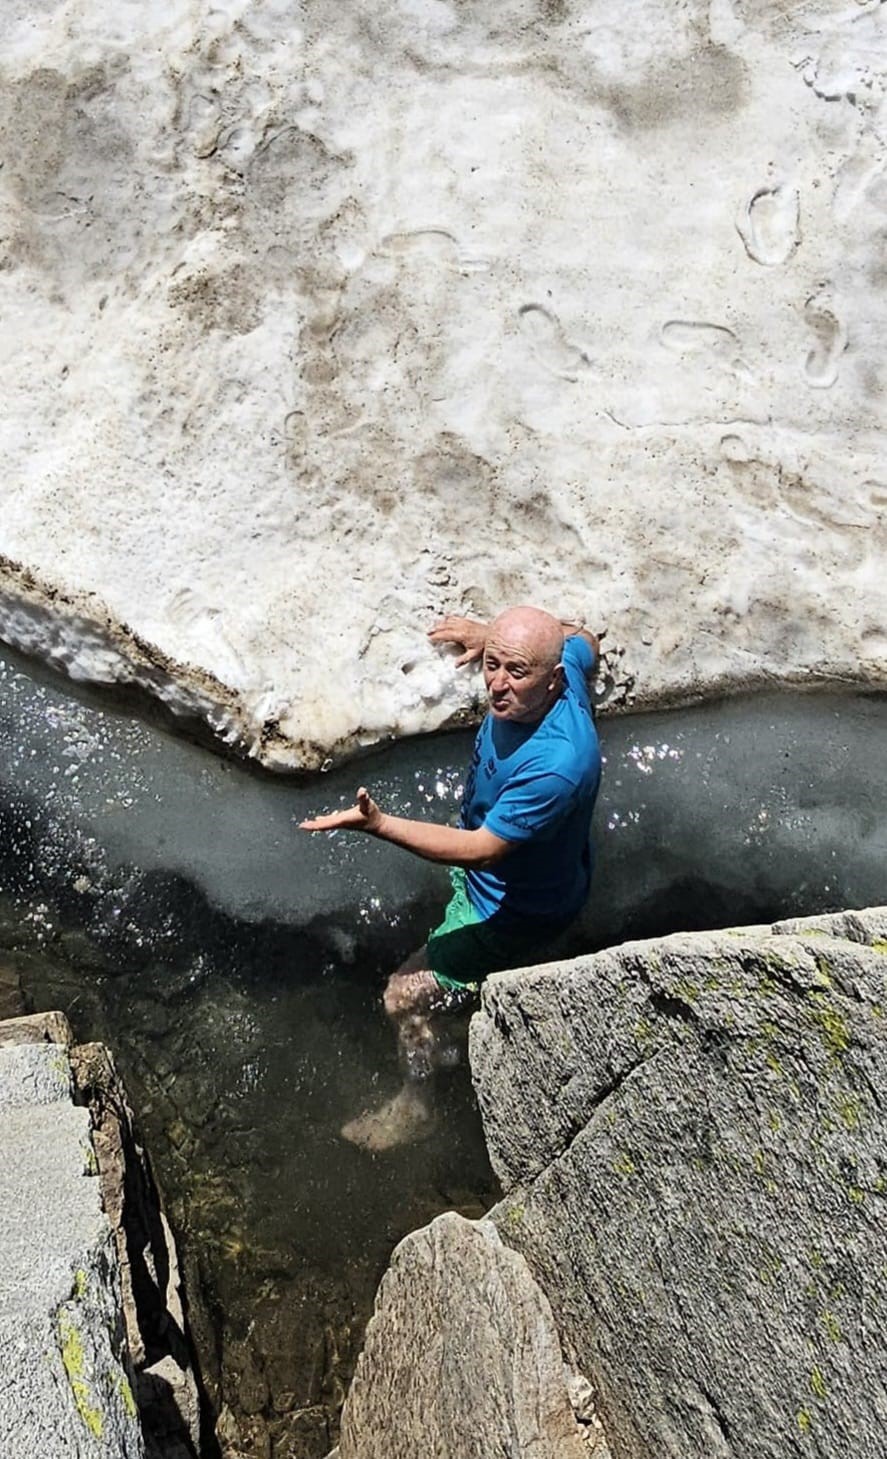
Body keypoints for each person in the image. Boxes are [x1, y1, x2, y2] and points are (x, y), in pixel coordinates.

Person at [299, 605, 602, 1150]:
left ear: (554, 680)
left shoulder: (558, 763)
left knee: (400, 997)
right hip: (517, 875)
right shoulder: (565, 674)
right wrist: (496, 639)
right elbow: (583, 639)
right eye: (492, 665)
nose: (497, 685)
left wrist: (380, 824)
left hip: (508, 912)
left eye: (517, 672)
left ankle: (419, 1107)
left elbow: (482, 852)